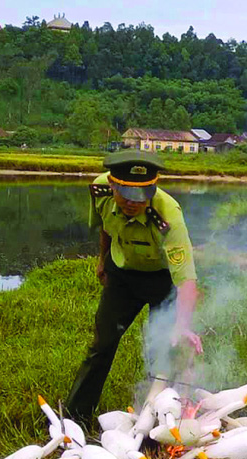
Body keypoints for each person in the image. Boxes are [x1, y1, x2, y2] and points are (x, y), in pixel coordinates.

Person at [66, 150, 202, 423]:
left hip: (163, 280)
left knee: (162, 348)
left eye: (141, 197)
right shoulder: (99, 191)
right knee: (102, 344)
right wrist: (103, 260)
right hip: (122, 276)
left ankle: (159, 418)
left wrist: (182, 324)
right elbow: (106, 225)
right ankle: (75, 416)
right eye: (125, 195)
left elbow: (186, 279)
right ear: (112, 185)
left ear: (152, 188)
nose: (132, 203)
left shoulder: (168, 215)